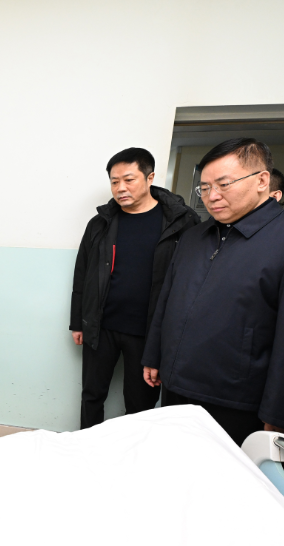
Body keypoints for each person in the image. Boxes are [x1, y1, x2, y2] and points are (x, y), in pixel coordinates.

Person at [143, 138, 284, 447]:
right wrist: (154, 354)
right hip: (177, 385)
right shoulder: (194, 236)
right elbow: (168, 300)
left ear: (262, 181)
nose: (212, 196)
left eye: (224, 185)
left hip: (238, 400)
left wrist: (283, 411)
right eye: (204, 187)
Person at [70, 147, 199, 429]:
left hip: (148, 331)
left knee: (140, 402)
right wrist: (78, 321)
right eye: (114, 181)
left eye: (129, 180)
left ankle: (134, 450)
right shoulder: (101, 223)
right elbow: (83, 273)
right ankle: (87, 445)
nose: (120, 188)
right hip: (101, 325)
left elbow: (191, 279)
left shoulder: (181, 222)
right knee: (92, 395)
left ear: (150, 177)